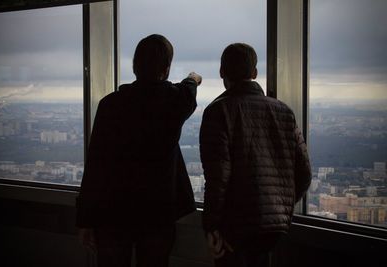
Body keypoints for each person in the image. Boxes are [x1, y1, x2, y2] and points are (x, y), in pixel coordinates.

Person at [76, 34, 202, 267]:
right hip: (158, 212)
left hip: (112, 212)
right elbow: (188, 88)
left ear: (134, 67)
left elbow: (95, 165)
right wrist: (193, 77)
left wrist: (85, 220)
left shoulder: (110, 104)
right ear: (165, 69)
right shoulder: (175, 101)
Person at [199, 43, 311, 267]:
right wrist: (280, 206)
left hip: (235, 226)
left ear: (222, 72)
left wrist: (211, 226)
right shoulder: (284, 111)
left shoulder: (218, 111)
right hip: (274, 229)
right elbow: (304, 173)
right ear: (254, 73)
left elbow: (217, 176)